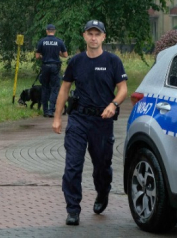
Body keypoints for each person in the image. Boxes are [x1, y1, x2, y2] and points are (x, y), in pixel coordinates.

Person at [52, 20, 128, 226]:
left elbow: (122, 88)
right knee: (73, 165)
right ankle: (73, 209)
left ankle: (103, 192)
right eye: (90, 34)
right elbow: (64, 90)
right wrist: (58, 117)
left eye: (97, 34)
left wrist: (113, 104)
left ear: (103, 37)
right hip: (78, 120)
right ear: (84, 36)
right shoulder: (76, 62)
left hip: (102, 122)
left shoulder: (113, 61)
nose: (93, 38)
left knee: (102, 167)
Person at [35, 24, 69, 118]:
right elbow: (66, 55)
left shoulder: (42, 41)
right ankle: (51, 110)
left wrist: (44, 56)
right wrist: (58, 54)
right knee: (54, 89)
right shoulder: (59, 41)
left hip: (45, 67)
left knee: (45, 88)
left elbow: (37, 56)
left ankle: (45, 111)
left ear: (47, 31)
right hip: (55, 67)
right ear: (54, 31)